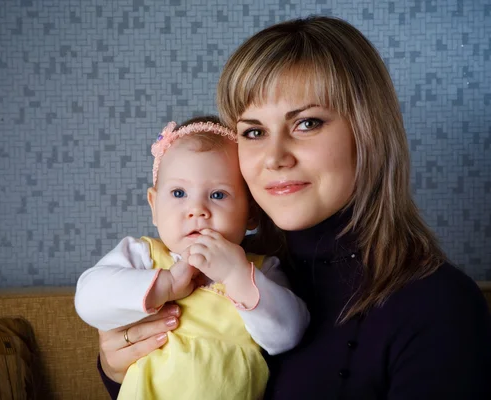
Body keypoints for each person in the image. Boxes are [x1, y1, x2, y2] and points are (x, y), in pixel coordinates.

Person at [94, 15, 491, 399]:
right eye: (254, 131)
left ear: (368, 132)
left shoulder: (441, 309)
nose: (274, 156)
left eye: (307, 123)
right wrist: (119, 370)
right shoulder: (199, 267)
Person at [75, 116, 310, 399]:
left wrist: (236, 276)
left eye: (218, 194)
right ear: (154, 205)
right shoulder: (144, 256)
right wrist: (166, 285)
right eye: (178, 193)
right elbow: (88, 299)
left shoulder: (258, 270)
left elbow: (288, 335)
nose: (197, 210)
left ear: (250, 213)